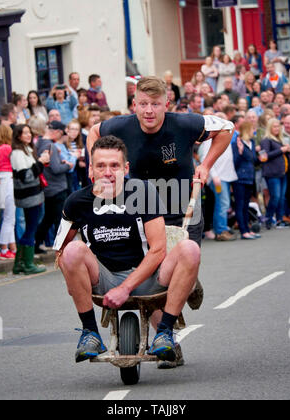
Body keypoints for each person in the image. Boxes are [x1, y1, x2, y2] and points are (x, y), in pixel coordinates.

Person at [87, 76, 234, 347]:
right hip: (139, 212)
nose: (149, 111)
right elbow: (94, 132)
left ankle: (189, 280)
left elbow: (227, 128)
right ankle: (167, 340)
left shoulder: (186, 123)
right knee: (152, 280)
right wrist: (93, 166)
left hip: (181, 208)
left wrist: (206, 165)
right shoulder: (120, 126)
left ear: (167, 103)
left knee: (182, 268)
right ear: (134, 104)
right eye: (143, 104)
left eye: (155, 104)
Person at [55, 136, 201, 364]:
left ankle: (164, 333)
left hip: (147, 275)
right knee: (73, 251)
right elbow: (61, 249)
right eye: (101, 165)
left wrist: (126, 288)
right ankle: (90, 333)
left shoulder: (143, 192)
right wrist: (70, 279)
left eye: (114, 165)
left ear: (126, 168)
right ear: (91, 169)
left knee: (190, 248)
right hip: (104, 279)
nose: (108, 172)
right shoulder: (76, 201)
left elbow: (158, 250)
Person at [10, 124, 50, 274]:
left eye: (29, 132)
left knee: (31, 227)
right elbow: (26, 176)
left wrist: (41, 162)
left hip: (35, 194)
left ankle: (19, 263)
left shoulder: (27, 149)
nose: (28, 135)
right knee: (31, 228)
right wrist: (40, 162)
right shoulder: (17, 153)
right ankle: (27, 264)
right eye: (24, 133)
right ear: (18, 136)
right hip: (28, 196)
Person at [34, 121, 73, 254]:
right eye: (62, 134)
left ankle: (37, 243)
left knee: (48, 218)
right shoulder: (50, 145)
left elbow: (50, 165)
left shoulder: (39, 143)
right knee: (59, 219)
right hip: (57, 188)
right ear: (57, 132)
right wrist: (68, 165)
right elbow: (56, 169)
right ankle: (61, 248)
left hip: (48, 188)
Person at [260, 118, 290, 229]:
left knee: (282, 198)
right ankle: (268, 218)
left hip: (282, 173)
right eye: (274, 126)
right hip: (272, 174)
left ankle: (280, 220)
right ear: (269, 128)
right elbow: (264, 157)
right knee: (275, 197)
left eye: (278, 126)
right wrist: (281, 150)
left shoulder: (280, 140)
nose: (277, 128)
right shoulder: (266, 140)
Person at [232, 121, 260, 239]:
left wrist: (260, 156)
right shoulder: (237, 143)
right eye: (252, 128)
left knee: (246, 205)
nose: (254, 131)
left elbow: (253, 160)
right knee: (240, 205)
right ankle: (243, 231)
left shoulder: (252, 143)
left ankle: (248, 229)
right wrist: (239, 152)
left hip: (250, 177)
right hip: (239, 178)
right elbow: (235, 162)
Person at [0, 125, 16, 259]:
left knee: (8, 217)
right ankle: (4, 247)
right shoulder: (8, 148)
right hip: (8, 179)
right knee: (9, 217)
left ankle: (11, 246)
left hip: (2, 179)